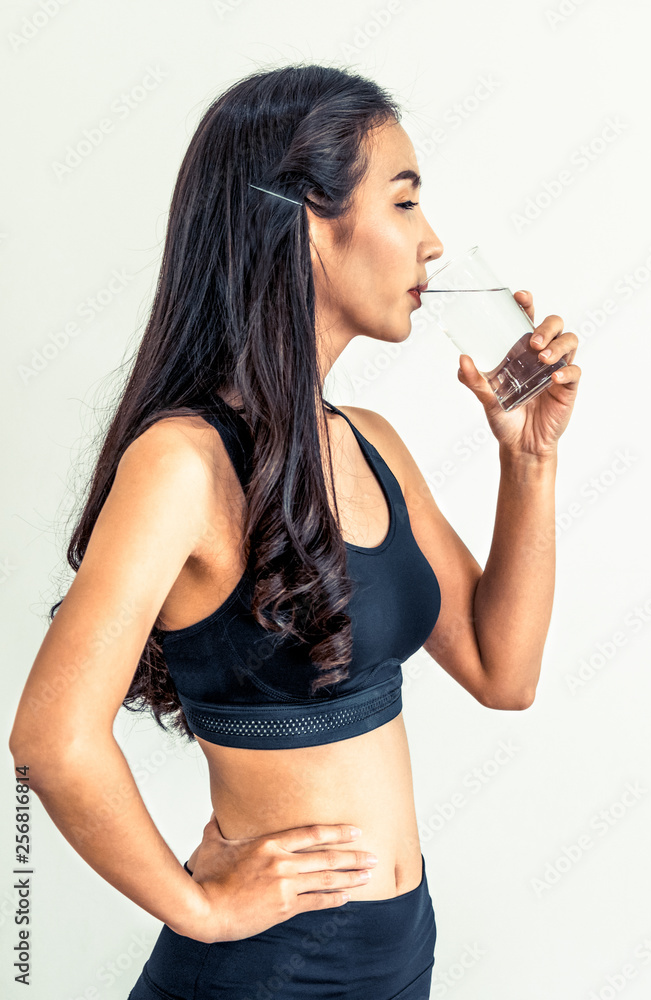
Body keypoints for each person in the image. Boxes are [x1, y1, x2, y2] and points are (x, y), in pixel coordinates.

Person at [9, 63, 580, 999]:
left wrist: (530, 460)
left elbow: (502, 671)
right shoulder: (184, 465)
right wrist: (199, 909)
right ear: (311, 220)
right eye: (404, 203)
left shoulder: (371, 445)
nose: (433, 244)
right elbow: (50, 738)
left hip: (399, 952)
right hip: (272, 970)